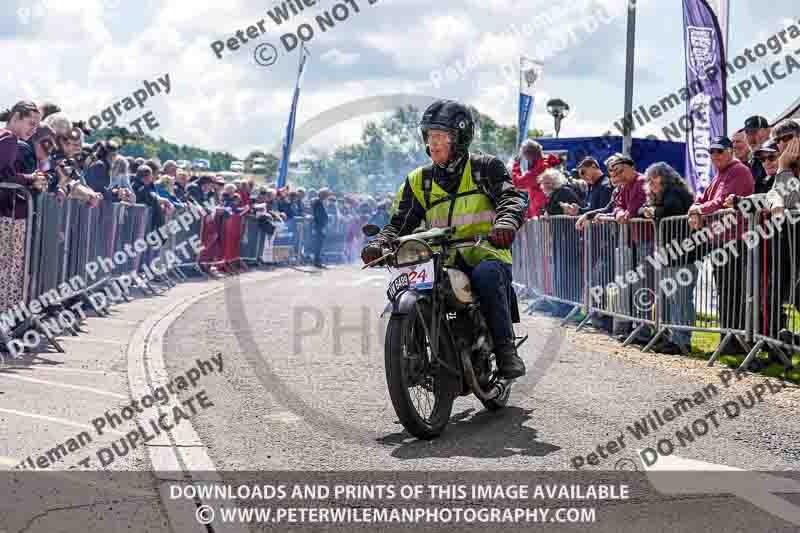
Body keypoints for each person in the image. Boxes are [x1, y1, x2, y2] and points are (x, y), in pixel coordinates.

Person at [360, 100, 527, 379]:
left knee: (486, 275)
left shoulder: (485, 168)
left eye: (441, 137)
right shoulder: (419, 180)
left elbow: (511, 199)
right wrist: (381, 243)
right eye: (429, 136)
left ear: (460, 139)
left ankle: (505, 350)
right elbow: (400, 222)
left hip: (484, 252)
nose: (433, 143)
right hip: (437, 259)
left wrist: (506, 222)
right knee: (410, 285)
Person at [688, 136, 754, 340]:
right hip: (721, 240)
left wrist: (699, 210)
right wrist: (695, 207)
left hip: (736, 240)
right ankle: (729, 338)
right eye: (712, 152)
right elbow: (702, 198)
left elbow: (721, 202)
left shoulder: (738, 170)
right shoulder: (720, 174)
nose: (715, 155)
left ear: (730, 151)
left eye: (720, 151)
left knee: (733, 292)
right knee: (725, 291)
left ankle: (735, 339)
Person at [641, 162, 696, 355]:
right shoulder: (661, 194)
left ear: (665, 177)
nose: (652, 181)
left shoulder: (674, 191)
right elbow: (642, 209)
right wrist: (649, 210)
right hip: (669, 254)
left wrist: (654, 211)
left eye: (655, 177)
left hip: (682, 253)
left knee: (680, 299)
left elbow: (673, 210)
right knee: (672, 299)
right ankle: (673, 337)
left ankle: (682, 341)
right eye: (650, 178)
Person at [511, 139, 548, 218]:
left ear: (529, 154)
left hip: (541, 211)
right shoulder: (542, 164)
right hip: (539, 209)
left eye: (523, 155)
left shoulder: (541, 167)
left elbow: (518, 183)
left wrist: (516, 164)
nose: (523, 158)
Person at [744, 115, 771, 194]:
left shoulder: (777, 156)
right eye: (747, 133)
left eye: (754, 132)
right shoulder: (751, 162)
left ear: (768, 130)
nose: (751, 138)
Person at [310, 187, 332, 268]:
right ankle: (317, 262)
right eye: (326, 194)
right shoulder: (317, 202)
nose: (327, 196)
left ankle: (318, 261)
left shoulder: (319, 202)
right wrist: (323, 224)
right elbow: (319, 216)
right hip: (318, 226)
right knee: (318, 244)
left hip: (320, 226)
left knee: (319, 244)